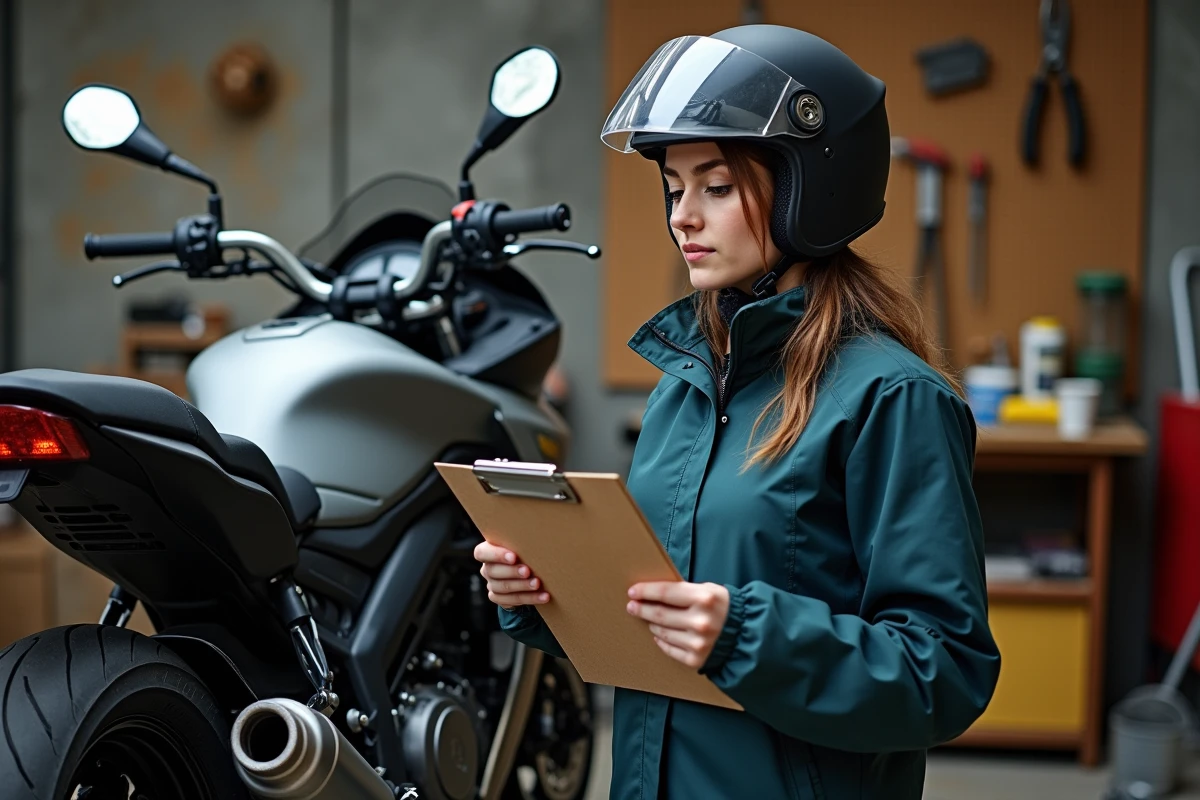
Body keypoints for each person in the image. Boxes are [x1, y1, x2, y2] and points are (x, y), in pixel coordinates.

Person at [474, 24, 1000, 799]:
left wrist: (747, 637)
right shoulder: (687, 382)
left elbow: (944, 672)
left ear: (811, 189)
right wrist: (546, 592)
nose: (683, 216)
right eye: (674, 188)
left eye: (716, 187)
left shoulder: (892, 398)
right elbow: (654, 611)